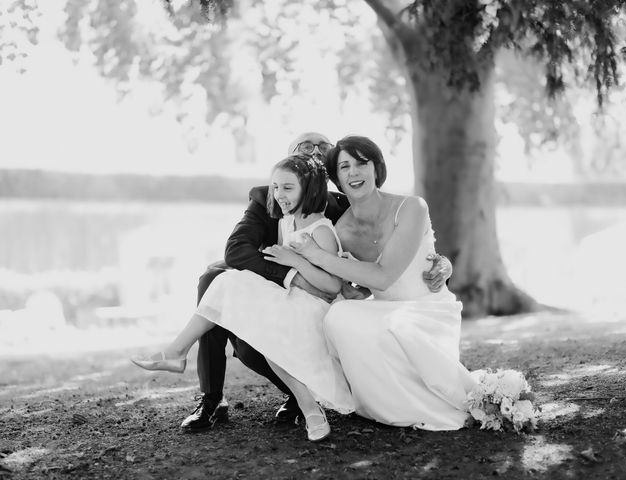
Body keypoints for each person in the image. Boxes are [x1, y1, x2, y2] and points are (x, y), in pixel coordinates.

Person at [136, 132, 452, 435]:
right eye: (306, 145)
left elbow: (391, 255)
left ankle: (301, 398)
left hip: (330, 297)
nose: (314, 150)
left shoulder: (346, 206)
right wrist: (293, 277)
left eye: (322, 147)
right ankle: (211, 396)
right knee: (214, 278)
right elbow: (236, 251)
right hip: (285, 283)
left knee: (245, 300)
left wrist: (441, 263)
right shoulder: (268, 196)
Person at [264, 135, 477, 430]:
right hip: (385, 306)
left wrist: (315, 255)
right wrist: (356, 290)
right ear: (336, 178)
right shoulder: (342, 229)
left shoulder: (412, 207)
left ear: (376, 168)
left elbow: (385, 274)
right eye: (345, 167)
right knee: (340, 316)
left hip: (427, 306)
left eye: (362, 164)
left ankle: (424, 403)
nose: (354, 172)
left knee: (394, 326)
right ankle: (380, 403)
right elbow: (360, 282)